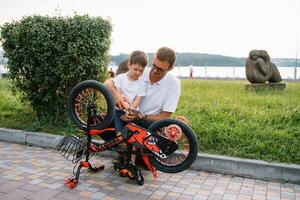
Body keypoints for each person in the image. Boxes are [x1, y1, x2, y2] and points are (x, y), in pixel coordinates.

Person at [112, 50, 148, 165]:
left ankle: (132, 161)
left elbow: (138, 99)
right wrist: (123, 101)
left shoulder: (142, 84)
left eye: (141, 71)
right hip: (119, 113)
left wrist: (130, 109)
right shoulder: (121, 78)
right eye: (135, 69)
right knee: (120, 136)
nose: (138, 73)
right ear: (129, 65)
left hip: (132, 114)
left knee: (134, 138)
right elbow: (117, 92)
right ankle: (120, 156)